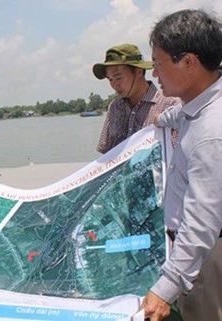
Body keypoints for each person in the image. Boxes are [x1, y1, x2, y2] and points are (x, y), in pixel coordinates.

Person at [141, 9, 222, 321]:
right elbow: (184, 115)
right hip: (196, 258)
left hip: (205, 259)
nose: (155, 74)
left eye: (158, 64)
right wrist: (163, 119)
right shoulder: (198, 107)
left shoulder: (211, 132)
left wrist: (165, 289)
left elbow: (201, 224)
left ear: (188, 62)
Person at [92, 44, 179, 153]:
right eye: (110, 80)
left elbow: (179, 155)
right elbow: (106, 154)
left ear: (139, 72)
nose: (114, 85)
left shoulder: (170, 105)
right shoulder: (114, 107)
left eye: (118, 78)